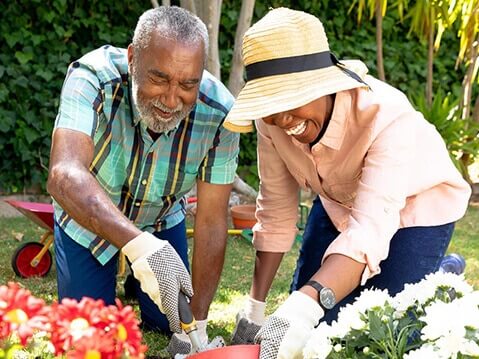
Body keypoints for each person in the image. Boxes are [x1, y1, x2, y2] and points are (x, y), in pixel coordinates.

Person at [223, 7, 471, 359]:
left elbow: (367, 233)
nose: (282, 117)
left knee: (383, 329)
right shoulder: (273, 124)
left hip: (419, 206)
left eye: (289, 99)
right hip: (341, 203)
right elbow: (275, 210)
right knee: (314, 335)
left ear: (323, 83)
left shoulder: (386, 117)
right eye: (270, 104)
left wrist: (304, 306)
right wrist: (255, 310)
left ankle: (438, 275)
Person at [47, 6, 239, 356]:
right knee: (91, 335)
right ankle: (138, 263)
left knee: (171, 324)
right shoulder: (92, 76)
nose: (171, 100)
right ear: (133, 57)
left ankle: (141, 278)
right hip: (87, 221)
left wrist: (197, 325)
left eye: (187, 84)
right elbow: (64, 175)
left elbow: (211, 220)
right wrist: (139, 246)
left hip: (162, 221)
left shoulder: (221, 113)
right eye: (159, 78)